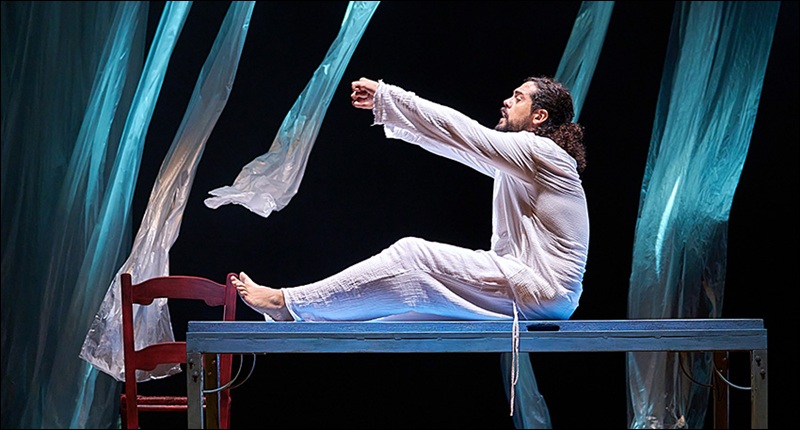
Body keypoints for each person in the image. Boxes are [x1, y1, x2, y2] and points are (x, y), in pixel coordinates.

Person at [232, 76, 588, 326]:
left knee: (413, 256)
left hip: (540, 288)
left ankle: (286, 302)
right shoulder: (526, 162)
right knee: (401, 315)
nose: (507, 101)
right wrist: (397, 117)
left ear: (539, 116)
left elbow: (466, 134)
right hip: (538, 292)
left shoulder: (541, 153)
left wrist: (390, 97)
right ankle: (305, 318)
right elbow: (458, 147)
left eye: (518, 97)